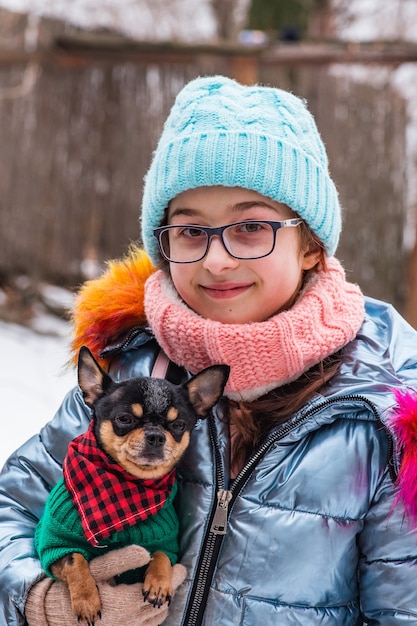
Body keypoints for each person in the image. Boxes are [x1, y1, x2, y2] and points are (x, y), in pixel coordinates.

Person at [1, 74, 417, 626]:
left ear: (311, 246)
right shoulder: (128, 367)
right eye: (191, 231)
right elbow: (13, 508)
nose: (217, 260)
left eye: (250, 227)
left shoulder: (384, 413)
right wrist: (35, 600)